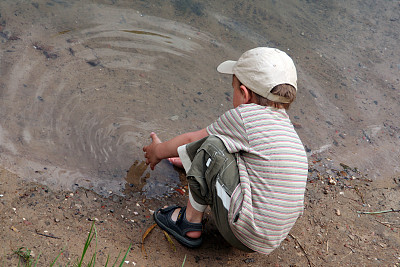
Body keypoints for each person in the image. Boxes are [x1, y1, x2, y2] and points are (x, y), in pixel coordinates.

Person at [143, 47, 308, 254]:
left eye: (233, 89)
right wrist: (191, 158)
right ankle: (200, 176)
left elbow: (195, 139)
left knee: (212, 145)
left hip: (244, 232)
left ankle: (188, 224)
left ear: (244, 94)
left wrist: (157, 151)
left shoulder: (244, 117)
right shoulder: (287, 131)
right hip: (269, 237)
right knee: (219, 149)